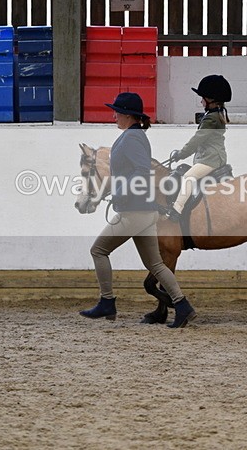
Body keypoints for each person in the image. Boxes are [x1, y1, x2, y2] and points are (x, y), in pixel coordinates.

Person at [79, 92, 197, 328]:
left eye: (117, 112)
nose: (113, 116)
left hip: (134, 213)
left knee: (98, 250)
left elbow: (142, 171)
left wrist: (120, 188)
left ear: (128, 116)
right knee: (155, 265)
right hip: (143, 212)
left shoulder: (132, 138)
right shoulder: (133, 136)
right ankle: (183, 306)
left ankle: (107, 301)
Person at [165, 74, 232, 222]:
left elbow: (196, 140)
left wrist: (180, 154)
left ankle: (177, 210)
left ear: (211, 100)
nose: (201, 100)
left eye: (203, 98)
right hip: (213, 156)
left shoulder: (211, 119)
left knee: (189, 177)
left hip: (210, 159)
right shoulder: (215, 114)